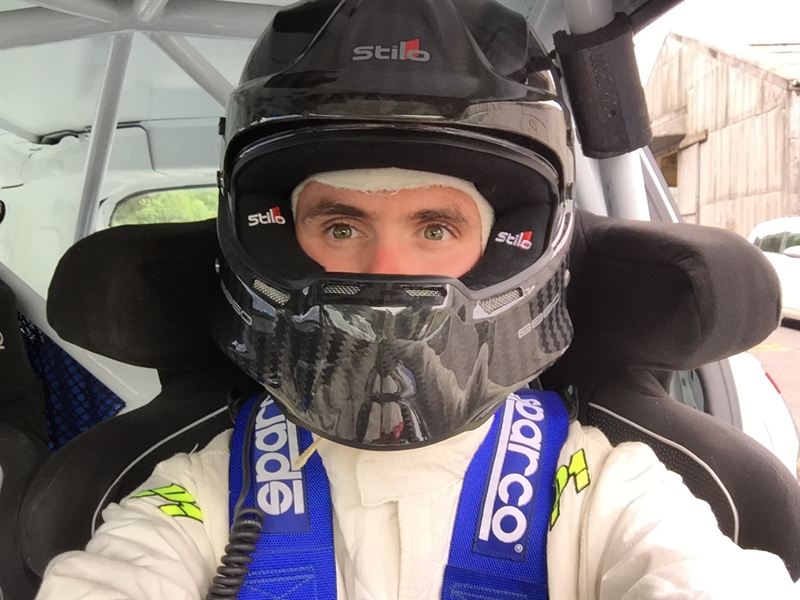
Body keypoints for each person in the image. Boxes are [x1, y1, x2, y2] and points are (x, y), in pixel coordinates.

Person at [36, 1, 799, 598]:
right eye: (341, 227)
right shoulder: (198, 488)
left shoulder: (603, 487)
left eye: (436, 228)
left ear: (511, 246)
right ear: (275, 239)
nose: (385, 273)